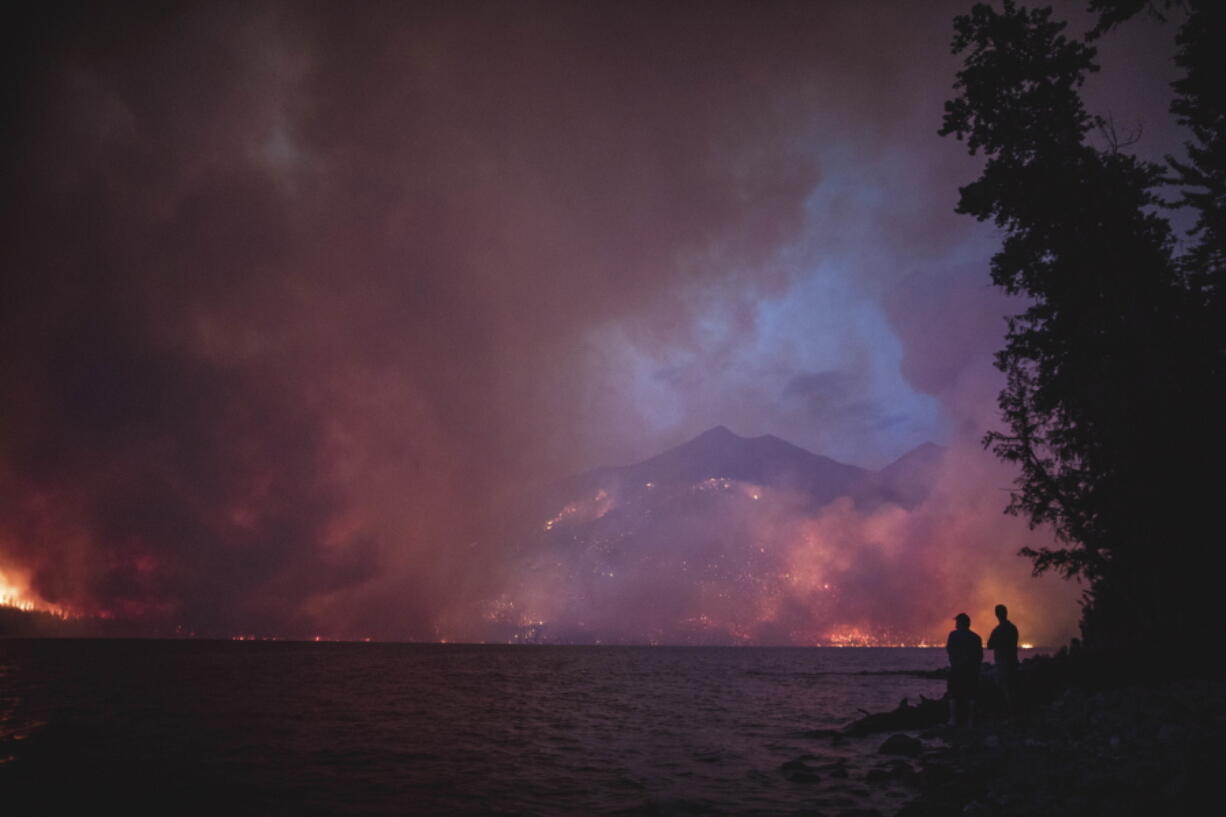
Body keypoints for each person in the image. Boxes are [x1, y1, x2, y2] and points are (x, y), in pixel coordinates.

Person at [945, 612, 982, 727]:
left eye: (957, 621)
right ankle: (970, 721)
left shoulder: (953, 635)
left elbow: (949, 650)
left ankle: (953, 720)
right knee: (971, 695)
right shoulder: (976, 637)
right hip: (971, 670)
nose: (955, 624)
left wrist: (955, 661)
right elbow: (979, 656)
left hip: (957, 669)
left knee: (953, 695)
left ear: (960, 623)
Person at [988, 603, 1020, 718]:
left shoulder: (998, 630)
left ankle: (1009, 713)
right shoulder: (1013, 628)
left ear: (997, 615)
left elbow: (989, 645)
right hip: (1013, 660)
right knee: (1013, 687)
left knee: (1004, 687)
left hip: (1002, 661)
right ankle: (1015, 712)